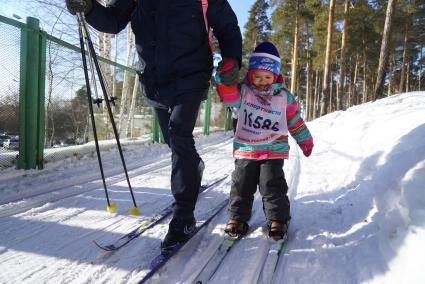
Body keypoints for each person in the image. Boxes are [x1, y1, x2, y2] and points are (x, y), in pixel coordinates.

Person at [66, 0, 242, 251]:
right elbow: (114, 21)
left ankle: (184, 217)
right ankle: (194, 166)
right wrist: (90, 8)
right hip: (155, 81)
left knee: (178, 133)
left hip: (191, 76)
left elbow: (227, 27)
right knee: (174, 142)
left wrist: (231, 59)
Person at [215, 41, 313, 240]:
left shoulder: (284, 97)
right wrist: (225, 78)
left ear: (275, 76)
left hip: (272, 148)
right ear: (250, 75)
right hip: (247, 147)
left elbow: (294, 120)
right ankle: (237, 218)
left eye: (267, 77)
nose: (262, 81)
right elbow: (228, 95)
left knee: (271, 184)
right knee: (241, 184)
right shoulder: (243, 92)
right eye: (257, 76)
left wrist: (305, 139)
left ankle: (278, 219)